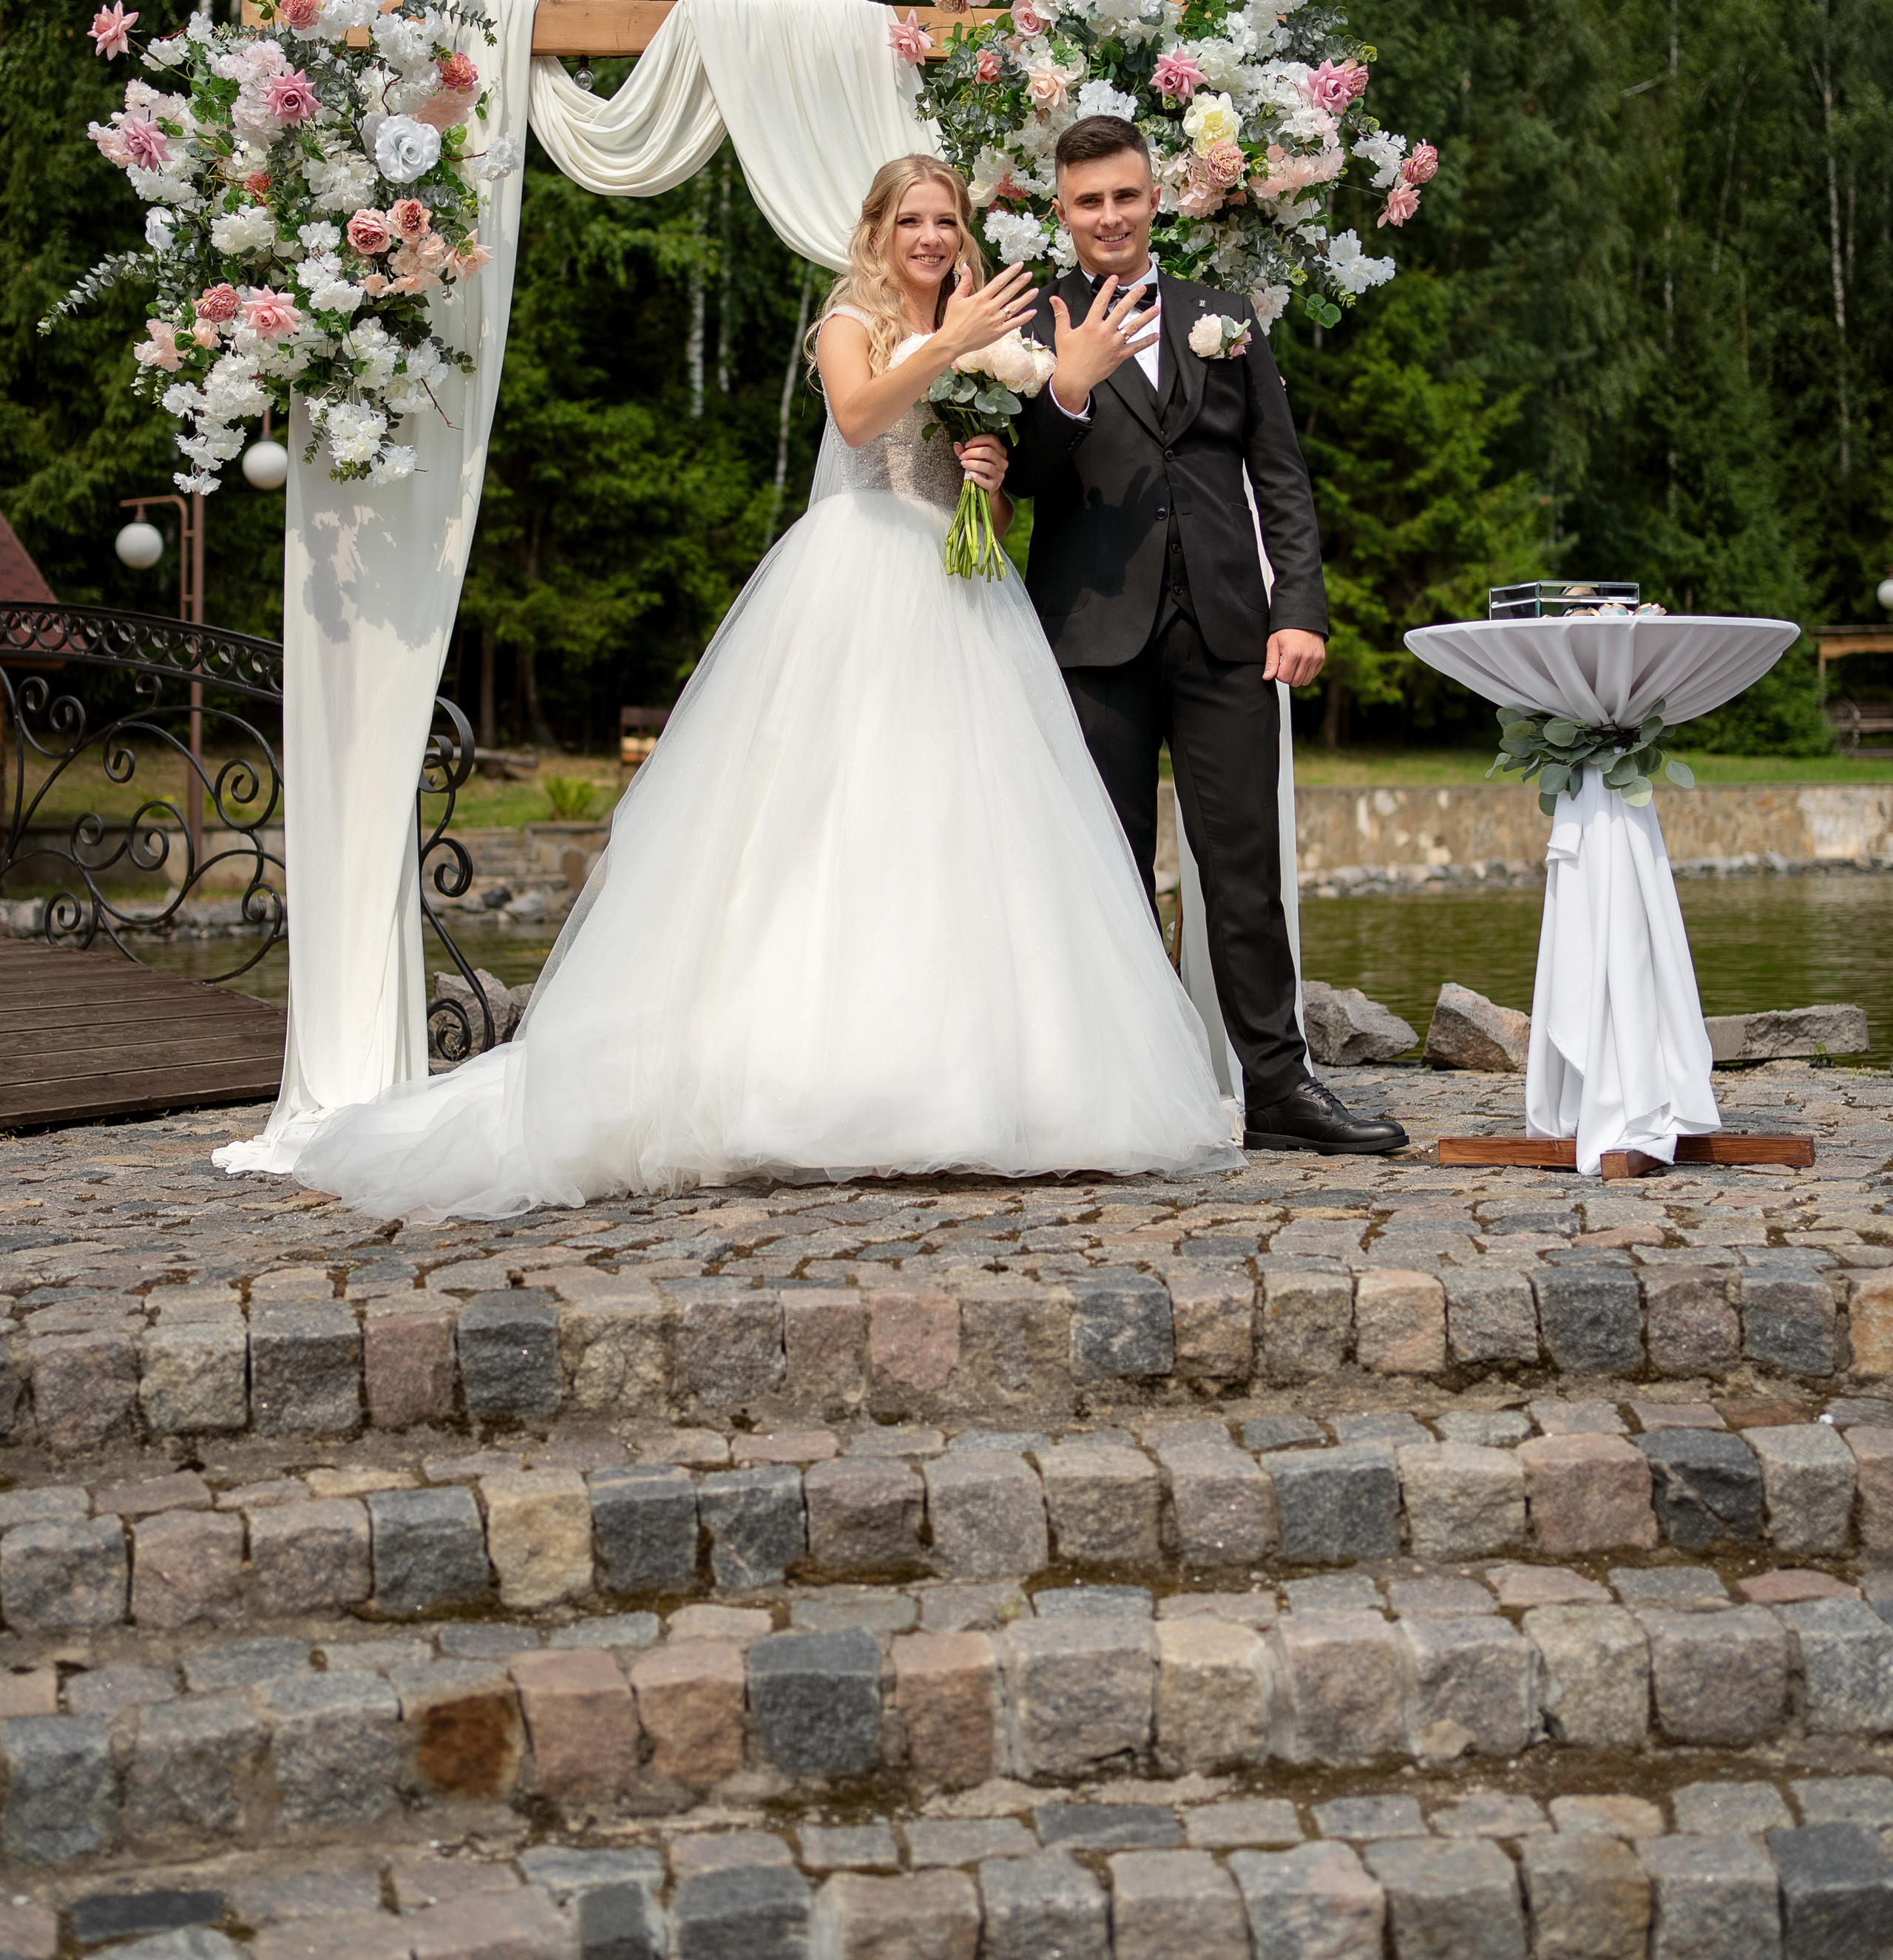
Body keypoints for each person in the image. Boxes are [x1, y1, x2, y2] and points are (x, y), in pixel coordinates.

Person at [285, 153, 1235, 1220]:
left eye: (946, 219)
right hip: (857, 575)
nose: (930, 237)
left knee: (955, 825)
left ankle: (976, 1069)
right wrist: (954, 346)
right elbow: (860, 420)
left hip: (956, 588)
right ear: (879, 231)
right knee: (829, 815)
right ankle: (793, 1067)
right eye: (911, 220)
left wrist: (991, 485)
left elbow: (974, 495)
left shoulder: (978, 331)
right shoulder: (850, 320)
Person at [1009, 114, 1408, 1161]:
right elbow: (1024, 479)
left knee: (1246, 871)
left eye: (1126, 196)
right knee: (1110, 871)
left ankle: (1278, 1090)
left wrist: (1300, 609)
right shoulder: (1031, 328)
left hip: (1231, 634)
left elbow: (1280, 474)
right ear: (1063, 210)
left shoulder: (1223, 317)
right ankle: (1123, 1097)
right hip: (1093, 638)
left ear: (1156, 199)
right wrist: (1068, 385)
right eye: (1088, 201)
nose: (1109, 217)